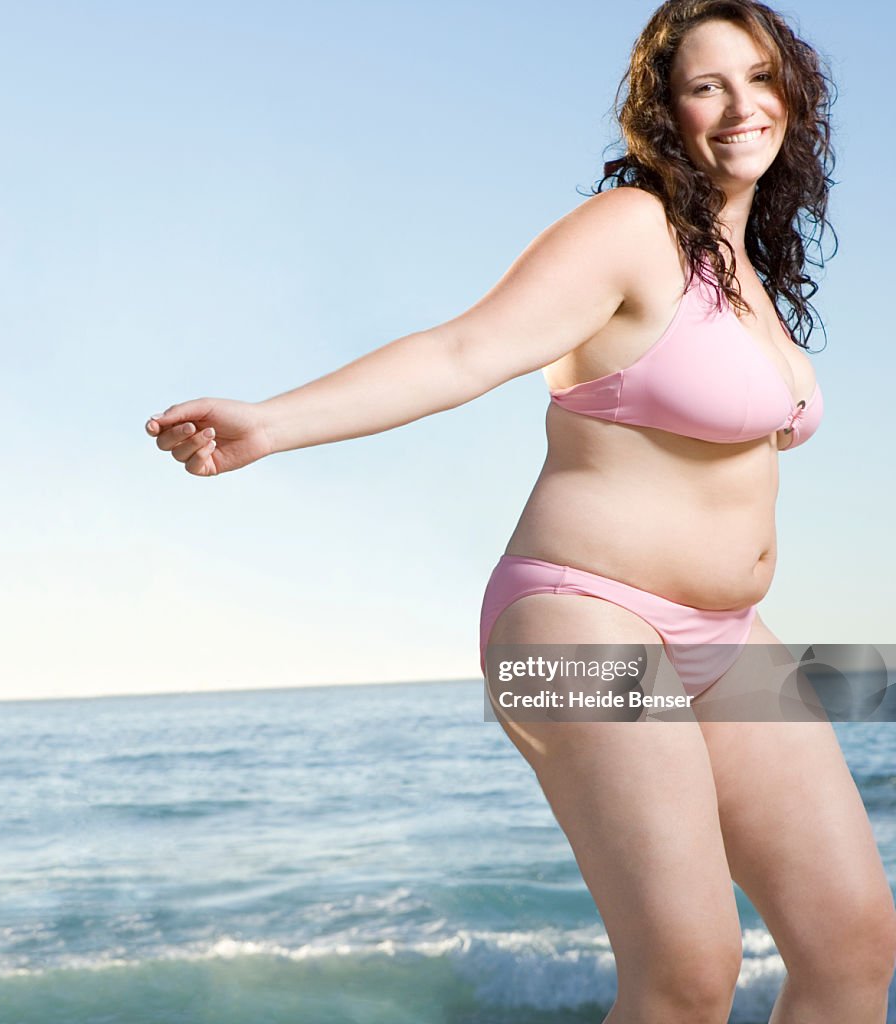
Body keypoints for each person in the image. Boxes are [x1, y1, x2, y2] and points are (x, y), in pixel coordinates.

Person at [145, 1, 896, 1020]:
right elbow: (463, 350)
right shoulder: (629, 230)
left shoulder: (749, 271)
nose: (738, 105)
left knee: (851, 944)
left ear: (792, 96)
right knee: (685, 972)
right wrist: (273, 423)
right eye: (705, 84)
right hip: (577, 617)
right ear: (663, 112)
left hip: (723, 636)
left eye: (759, 77)